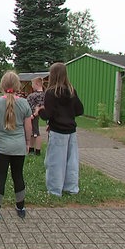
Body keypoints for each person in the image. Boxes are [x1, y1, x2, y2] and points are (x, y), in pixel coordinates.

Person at [0, 71, 32, 221]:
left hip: (1, 148)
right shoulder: (24, 103)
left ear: (2, 86)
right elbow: (28, 127)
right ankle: (21, 208)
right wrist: (28, 142)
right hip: (18, 147)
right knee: (18, 176)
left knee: (0, 177)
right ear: (17, 86)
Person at [35, 63, 84, 197]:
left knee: (55, 161)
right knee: (72, 160)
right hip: (71, 131)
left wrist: (40, 111)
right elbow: (80, 110)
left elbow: (48, 114)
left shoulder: (51, 92)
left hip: (57, 132)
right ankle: (71, 187)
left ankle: (55, 190)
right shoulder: (71, 90)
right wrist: (68, 113)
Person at [26, 77, 45, 155]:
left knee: (36, 132)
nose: (32, 86)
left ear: (37, 84)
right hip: (37, 115)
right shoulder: (45, 94)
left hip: (33, 115)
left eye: (33, 84)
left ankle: (37, 150)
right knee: (33, 131)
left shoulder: (33, 96)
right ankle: (31, 148)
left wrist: (34, 114)